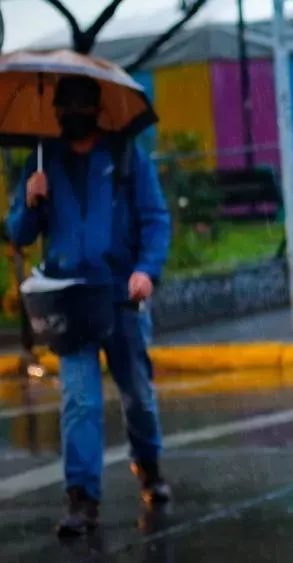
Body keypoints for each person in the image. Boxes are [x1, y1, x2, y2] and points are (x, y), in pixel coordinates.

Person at [7, 75, 172, 536]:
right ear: (56, 111)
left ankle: (149, 466)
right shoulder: (42, 162)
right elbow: (19, 233)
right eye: (65, 107)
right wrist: (29, 201)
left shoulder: (124, 157)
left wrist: (147, 269)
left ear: (96, 110)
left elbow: (155, 219)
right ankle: (81, 498)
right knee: (79, 400)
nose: (71, 114)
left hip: (120, 295)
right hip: (70, 299)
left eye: (80, 106)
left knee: (137, 393)